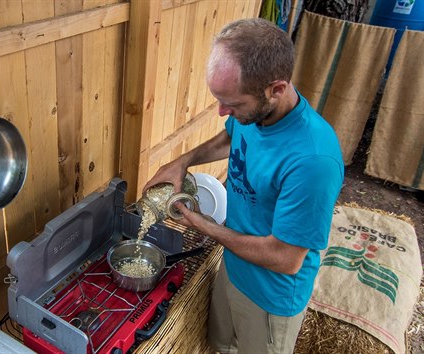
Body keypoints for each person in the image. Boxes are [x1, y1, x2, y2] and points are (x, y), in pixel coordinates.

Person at [142, 18, 344, 354]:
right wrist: (181, 161)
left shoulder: (313, 161)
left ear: (276, 89)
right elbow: (231, 137)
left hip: (270, 295)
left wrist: (205, 226)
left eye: (233, 105)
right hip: (234, 265)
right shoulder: (257, 112)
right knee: (220, 345)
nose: (223, 111)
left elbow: (284, 258)